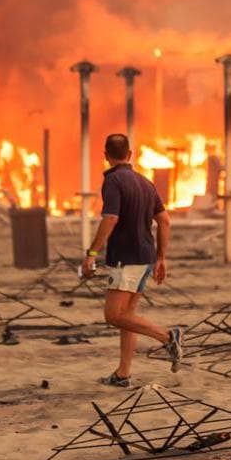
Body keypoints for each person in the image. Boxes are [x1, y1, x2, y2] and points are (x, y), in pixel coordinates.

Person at [81, 133, 182, 387]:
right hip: (146, 256)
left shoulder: (113, 181)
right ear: (130, 154)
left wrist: (92, 253)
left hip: (126, 258)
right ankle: (123, 374)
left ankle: (168, 336)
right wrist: (161, 257)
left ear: (105, 155)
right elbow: (165, 221)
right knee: (128, 315)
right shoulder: (146, 182)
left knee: (113, 315)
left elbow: (111, 218)